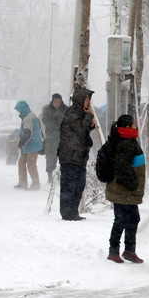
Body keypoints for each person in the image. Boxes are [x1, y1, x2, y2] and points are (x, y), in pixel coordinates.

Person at [104, 115, 146, 264]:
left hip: (125, 189)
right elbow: (123, 169)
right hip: (123, 189)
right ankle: (114, 251)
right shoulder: (126, 143)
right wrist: (133, 186)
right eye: (134, 124)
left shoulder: (128, 140)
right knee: (121, 220)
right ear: (128, 127)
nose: (136, 127)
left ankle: (129, 250)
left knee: (132, 219)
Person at [57, 87, 95, 221]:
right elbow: (79, 130)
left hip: (79, 157)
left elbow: (83, 131)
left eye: (88, 99)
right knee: (69, 186)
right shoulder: (72, 112)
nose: (88, 101)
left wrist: (90, 123)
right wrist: (89, 116)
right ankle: (67, 213)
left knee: (79, 185)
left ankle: (73, 212)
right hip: (70, 156)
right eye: (85, 99)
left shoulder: (81, 113)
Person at [13, 101, 43, 190]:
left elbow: (28, 133)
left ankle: (35, 185)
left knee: (31, 165)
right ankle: (22, 183)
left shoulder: (28, 118)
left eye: (19, 110)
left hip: (32, 146)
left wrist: (20, 144)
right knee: (21, 163)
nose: (19, 112)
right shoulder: (29, 116)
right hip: (28, 146)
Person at [41, 93, 67, 184]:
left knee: (63, 160)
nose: (57, 104)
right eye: (55, 102)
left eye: (58, 102)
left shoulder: (65, 109)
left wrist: (57, 123)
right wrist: (58, 124)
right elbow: (46, 121)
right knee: (50, 159)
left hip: (63, 139)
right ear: (52, 102)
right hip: (51, 140)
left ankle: (61, 177)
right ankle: (50, 177)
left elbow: (67, 122)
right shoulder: (48, 109)